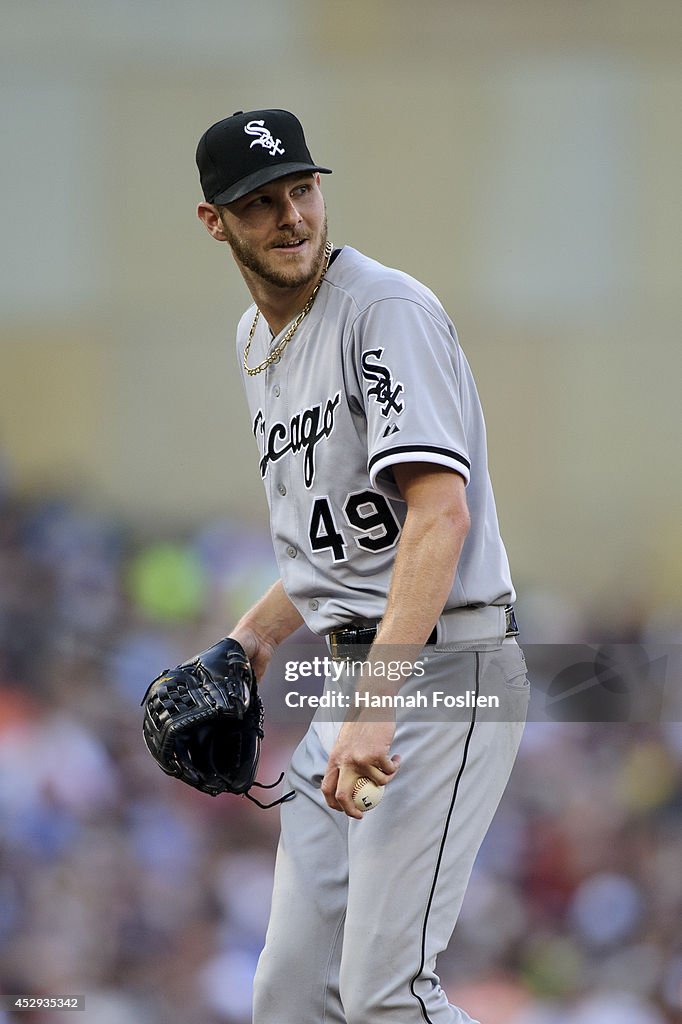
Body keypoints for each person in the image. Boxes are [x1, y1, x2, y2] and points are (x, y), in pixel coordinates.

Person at [196, 108, 529, 1024]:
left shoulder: (382, 310)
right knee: (292, 997)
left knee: (387, 998)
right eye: (260, 203)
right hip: (360, 671)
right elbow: (341, 536)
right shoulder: (255, 340)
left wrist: (376, 702)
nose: (292, 216)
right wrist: (250, 638)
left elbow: (438, 514)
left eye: (301, 189)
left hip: (441, 669)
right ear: (214, 222)